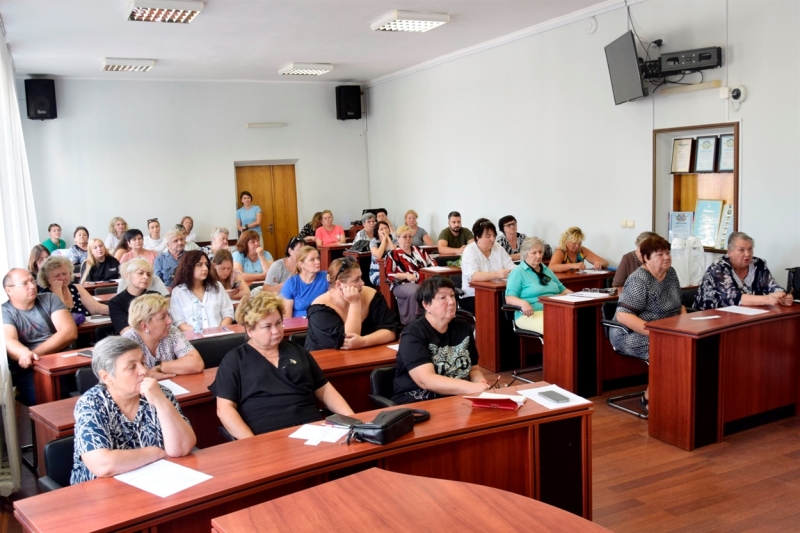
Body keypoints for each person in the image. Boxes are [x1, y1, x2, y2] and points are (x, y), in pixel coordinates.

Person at [210, 291, 354, 438]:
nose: (276, 331)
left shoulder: (297, 351)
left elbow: (324, 390)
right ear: (250, 330)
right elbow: (225, 409)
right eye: (267, 326)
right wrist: (252, 443)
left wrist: (353, 419)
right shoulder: (234, 360)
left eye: (278, 323)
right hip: (266, 436)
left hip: (312, 430)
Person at [70, 336, 196, 484]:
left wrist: (160, 401)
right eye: (132, 367)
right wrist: (155, 453)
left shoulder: (159, 392)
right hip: (101, 490)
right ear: (106, 377)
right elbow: (103, 465)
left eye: (142, 362)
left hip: (156, 480)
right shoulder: (91, 404)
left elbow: (182, 448)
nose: (143, 370)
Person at [610, 236, 685, 411]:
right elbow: (623, 316)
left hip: (666, 329)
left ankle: (678, 395)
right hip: (629, 333)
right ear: (646, 258)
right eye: (659, 254)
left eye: (667, 253)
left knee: (688, 345)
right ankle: (650, 399)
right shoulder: (639, 279)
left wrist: (685, 325)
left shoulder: (671, 273)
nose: (666, 257)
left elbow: (679, 305)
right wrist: (657, 333)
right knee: (668, 348)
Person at [392, 276, 491, 404]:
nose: (451, 302)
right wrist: (471, 388)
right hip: (419, 399)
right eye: (443, 298)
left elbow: (474, 369)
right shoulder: (413, 333)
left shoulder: (463, 327)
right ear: (426, 304)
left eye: (452, 295)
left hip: (458, 397)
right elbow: (426, 380)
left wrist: (481, 384)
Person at [2, 269, 78, 405]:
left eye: (32, 281)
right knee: (44, 401)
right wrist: (24, 354)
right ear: (9, 290)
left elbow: (69, 332)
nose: (32, 286)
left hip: (61, 359)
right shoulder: (5, 311)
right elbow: (9, 340)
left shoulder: (49, 298)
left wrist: (32, 355)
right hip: (31, 368)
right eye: (24, 283)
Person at [305, 257, 398, 351]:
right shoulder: (319, 309)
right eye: (356, 280)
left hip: (366, 356)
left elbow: (391, 331)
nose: (362, 283)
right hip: (326, 361)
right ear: (339, 284)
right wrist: (355, 303)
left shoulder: (371, 295)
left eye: (361, 277)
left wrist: (364, 341)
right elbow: (348, 341)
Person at [694, 232, 793, 309]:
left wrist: (783, 297)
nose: (747, 254)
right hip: (711, 317)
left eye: (750, 249)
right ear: (730, 252)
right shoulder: (719, 267)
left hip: (744, 316)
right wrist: (767, 299)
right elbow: (732, 298)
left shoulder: (758, 264)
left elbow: (772, 287)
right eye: (741, 250)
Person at [123, 294, 205, 375]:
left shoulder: (171, 331)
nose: (170, 321)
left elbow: (197, 364)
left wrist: (159, 367)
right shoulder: (128, 341)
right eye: (162, 317)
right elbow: (129, 378)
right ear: (144, 326)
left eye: (168, 315)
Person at [505, 237, 571, 333]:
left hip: (553, 311)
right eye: (534, 253)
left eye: (540, 252)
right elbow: (509, 298)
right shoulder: (518, 272)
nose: (538, 256)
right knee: (556, 326)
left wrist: (577, 296)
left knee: (574, 322)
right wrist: (523, 303)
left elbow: (562, 289)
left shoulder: (546, 270)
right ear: (525, 254)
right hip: (529, 314)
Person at [170, 250, 235, 331]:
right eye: (199, 265)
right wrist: (201, 334)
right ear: (188, 267)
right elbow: (179, 323)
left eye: (206, 264)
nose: (205, 268)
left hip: (219, 336)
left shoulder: (217, 286)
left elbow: (228, 313)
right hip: (193, 339)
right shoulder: (178, 292)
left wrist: (220, 330)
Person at [460, 218, 514, 313]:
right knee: (497, 309)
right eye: (488, 236)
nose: (492, 239)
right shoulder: (470, 250)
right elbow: (474, 276)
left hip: (498, 293)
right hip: (473, 296)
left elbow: (511, 267)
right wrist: (497, 274)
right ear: (477, 237)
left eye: (494, 235)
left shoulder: (498, 248)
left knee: (512, 305)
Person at [385, 225, 436, 324]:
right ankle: (414, 322)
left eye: (410, 236)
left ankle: (432, 320)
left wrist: (428, 270)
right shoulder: (393, 254)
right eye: (404, 237)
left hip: (424, 280)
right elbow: (389, 274)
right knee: (417, 291)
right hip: (401, 284)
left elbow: (433, 263)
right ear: (398, 238)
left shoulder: (419, 250)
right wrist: (406, 275)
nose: (408, 239)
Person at [38, 256, 109, 317]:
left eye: (65, 274)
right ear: (47, 279)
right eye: (57, 276)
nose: (62, 278)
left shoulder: (77, 288)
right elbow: (63, 317)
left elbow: (96, 308)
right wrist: (57, 290)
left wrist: (115, 310)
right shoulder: (44, 296)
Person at [108, 258, 161, 334]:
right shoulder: (116, 303)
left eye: (148, 274)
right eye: (140, 273)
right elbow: (125, 331)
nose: (146, 277)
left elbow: (163, 322)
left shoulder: (156, 296)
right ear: (127, 276)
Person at [279, 246, 328, 318]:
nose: (317, 262)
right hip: (299, 326)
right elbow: (286, 317)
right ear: (301, 264)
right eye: (312, 260)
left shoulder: (326, 277)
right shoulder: (291, 284)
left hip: (322, 321)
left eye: (318, 258)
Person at [369, 220, 397, 286]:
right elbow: (379, 255)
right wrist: (384, 239)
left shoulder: (394, 240)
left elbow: (395, 253)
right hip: (377, 271)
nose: (384, 230)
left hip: (393, 270)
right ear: (377, 232)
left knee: (400, 281)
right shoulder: (373, 242)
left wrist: (388, 238)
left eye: (386, 228)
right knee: (390, 282)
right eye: (381, 229)